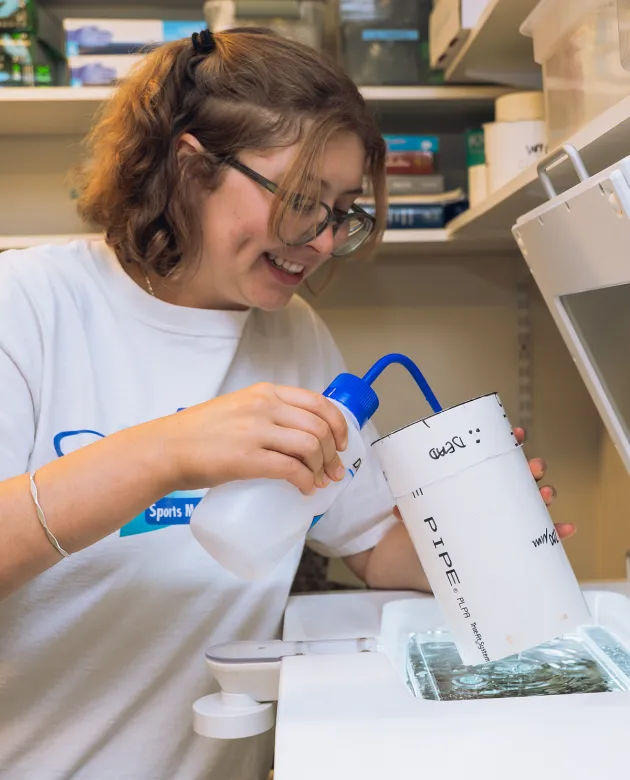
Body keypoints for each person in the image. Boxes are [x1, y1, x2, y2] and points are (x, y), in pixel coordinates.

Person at [0, 27, 571, 780]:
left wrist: (475, 528)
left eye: (343, 210)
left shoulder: (294, 335)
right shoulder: (30, 305)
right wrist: (167, 451)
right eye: (303, 199)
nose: (326, 240)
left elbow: (368, 544)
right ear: (190, 166)